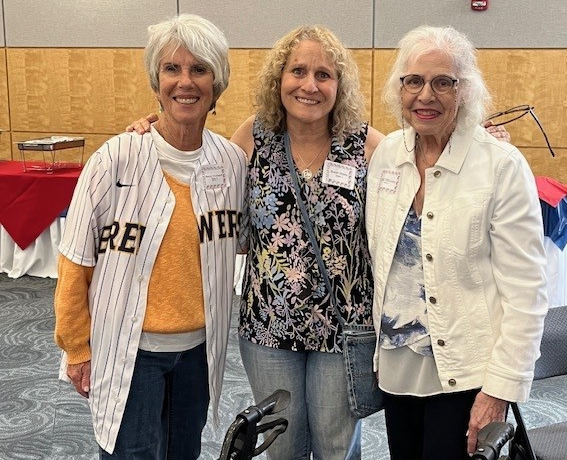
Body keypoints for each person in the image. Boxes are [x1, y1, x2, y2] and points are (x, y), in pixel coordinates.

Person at [126, 25, 513, 460]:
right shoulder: (253, 137)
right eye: (298, 71)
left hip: (344, 329)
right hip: (268, 328)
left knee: (336, 448)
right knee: (282, 447)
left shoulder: (368, 145)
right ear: (279, 79)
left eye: (323, 75)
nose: (309, 85)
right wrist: (153, 129)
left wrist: (475, 140)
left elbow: (425, 165)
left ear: (339, 85)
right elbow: (197, 171)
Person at [54, 14, 247, 459]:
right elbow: (75, 261)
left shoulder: (232, 163)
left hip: (197, 353)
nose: (185, 81)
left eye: (200, 69)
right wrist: (77, 348)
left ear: (217, 84)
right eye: (171, 69)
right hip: (131, 351)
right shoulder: (115, 159)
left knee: (184, 452)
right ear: (156, 82)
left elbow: (246, 239)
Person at [365, 24, 548, 460]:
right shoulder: (388, 154)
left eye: (443, 82)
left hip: (466, 372)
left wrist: (499, 389)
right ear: (399, 89)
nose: (425, 95)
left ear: (464, 90)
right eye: (414, 81)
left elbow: (527, 291)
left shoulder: (500, 165)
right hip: (397, 364)